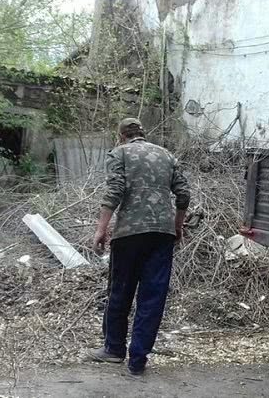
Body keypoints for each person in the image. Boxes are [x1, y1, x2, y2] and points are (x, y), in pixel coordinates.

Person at [89, 117, 190, 376]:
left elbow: (115, 190)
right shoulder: (166, 155)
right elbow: (184, 194)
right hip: (162, 234)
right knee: (152, 296)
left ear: (121, 135)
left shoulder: (119, 153)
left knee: (120, 290)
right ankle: (138, 360)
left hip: (129, 233)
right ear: (143, 133)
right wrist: (177, 226)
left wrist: (101, 229)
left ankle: (113, 350)